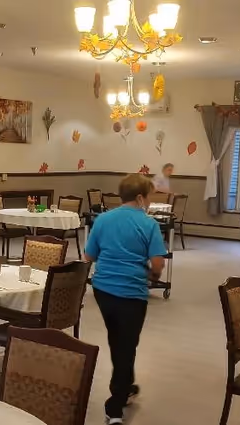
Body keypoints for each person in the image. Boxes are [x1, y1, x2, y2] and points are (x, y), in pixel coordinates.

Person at [84, 174, 167, 424]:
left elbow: (89, 256)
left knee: (118, 339)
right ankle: (114, 407)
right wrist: (151, 275)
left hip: (102, 290)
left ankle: (126, 385)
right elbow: (158, 264)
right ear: (140, 197)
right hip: (131, 293)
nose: (149, 202)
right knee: (126, 345)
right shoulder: (149, 224)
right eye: (148, 197)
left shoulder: (103, 219)